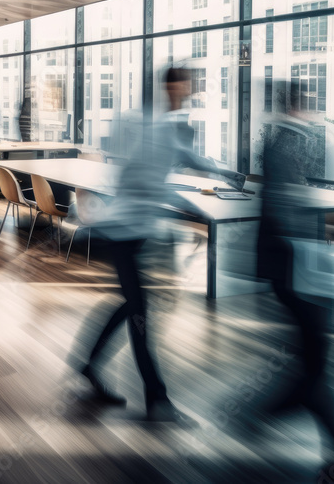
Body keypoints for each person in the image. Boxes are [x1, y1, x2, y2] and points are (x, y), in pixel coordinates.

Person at [70, 67, 216, 423]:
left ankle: (89, 365)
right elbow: (151, 182)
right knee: (138, 313)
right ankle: (157, 399)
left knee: (129, 307)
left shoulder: (156, 125)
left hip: (130, 231)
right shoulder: (155, 128)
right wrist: (198, 210)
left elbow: (156, 173)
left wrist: (213, 177)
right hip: (123, 230)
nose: (190, 91)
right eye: (186, 85)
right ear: (171, 86)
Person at [255, 81, 334, 479]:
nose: (313, 111)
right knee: (315, 353)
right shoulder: (284, 145)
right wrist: (318, 262)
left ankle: (281, 405)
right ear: (298, 106)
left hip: (292, 265)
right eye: (310, 104)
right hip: (293, 266)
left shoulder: (284, 142)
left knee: (313, 354)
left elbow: (286, 198)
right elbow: (281, 207)